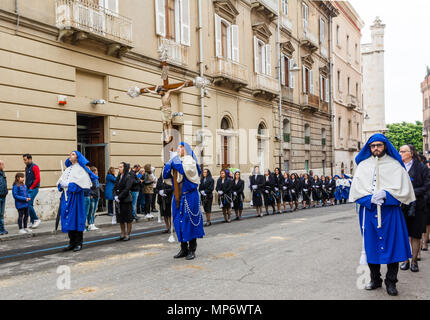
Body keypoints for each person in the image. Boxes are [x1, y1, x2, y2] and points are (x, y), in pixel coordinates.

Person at [349, 133, 415, 296]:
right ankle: (375, 279)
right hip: (369, 213)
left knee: (393, 247)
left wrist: (387, 195)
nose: (376, 148)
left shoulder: (395, 165)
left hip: (390, 213)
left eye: (379, 145)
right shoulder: (363, 166)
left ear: (385, 146)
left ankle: (391, 282)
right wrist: (369, 199)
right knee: (371, 247)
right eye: (373, 146)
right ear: (369, 148)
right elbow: (356, 192)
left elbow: (405, 192)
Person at [163, 142, 205, 260]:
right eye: (178, 147)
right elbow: (166, 175)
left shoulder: (189, 161)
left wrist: (175, 161)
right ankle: (183, 248)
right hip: (178, 197)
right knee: (178, 221)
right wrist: (169, 164)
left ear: (186, 149)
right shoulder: (177, 161)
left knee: (189, 221)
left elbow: (185, 172)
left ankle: (192, 249)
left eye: (181, 147)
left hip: (190, 196)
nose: (178, 149)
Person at [57, 151, 98, 252]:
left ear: (77, 157)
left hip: (76, 198)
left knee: (76, 219)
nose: (70, 155)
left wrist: (69, 185)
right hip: (67, 198)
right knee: (69, 219)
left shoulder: (80, 170)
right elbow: (60, 183)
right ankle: (71, 243)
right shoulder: (67, 169)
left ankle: (78, 243)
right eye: (70, 154)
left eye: (73, 154)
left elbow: (82, 185)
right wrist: (61, 185)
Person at [398, 144, 430, 272]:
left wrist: (411, 192)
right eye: (399, 151)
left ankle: (414, 261)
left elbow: (427, 185)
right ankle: (405, 260)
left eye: (403, 151)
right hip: (401, 206)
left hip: (417, 205)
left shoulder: (421, 167)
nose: (400, 153)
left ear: (411, 153)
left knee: (416, 234)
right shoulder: (397, 168)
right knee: (404, 234)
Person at [114, 162, 134, 241]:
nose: (119, 168)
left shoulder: (129, 176)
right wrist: (115, 195)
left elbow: (127, 189)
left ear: (125, 168)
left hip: (126, 200)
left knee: (128, 219)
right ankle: (122, 234)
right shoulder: (119, 177)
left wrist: (119, 197)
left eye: (121, 167)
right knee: (121, 219)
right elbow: (115, 187)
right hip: (119, 201)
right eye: (118, 167)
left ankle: (127, 235)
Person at [23, 154, 41, 228]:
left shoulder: (35, 167)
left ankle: (36, 219)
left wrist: (31, 188)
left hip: (34, 188)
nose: (24, 161)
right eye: (23, 160)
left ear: (30, 159)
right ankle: (32, 221)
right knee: (28, 205)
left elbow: (38, 179)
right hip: (28, 188)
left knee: (28, 204)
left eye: (25, 159)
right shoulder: (26, 168)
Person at [87, 166, 100, 231]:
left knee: (94, 211)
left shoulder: (96, 178)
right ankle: (90, 224)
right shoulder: (90, 179)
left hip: (97, 196)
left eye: (96, 171)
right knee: (91, 211)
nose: (96, 172)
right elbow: (89, 187)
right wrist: (90, 194)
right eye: (95, 171)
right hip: (92, 196)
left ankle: (93, 223)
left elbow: (97, 188)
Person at [0, 160, 8, 235]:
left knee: (2, 214)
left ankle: (2, 229)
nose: (4, 166)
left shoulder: (3, 173)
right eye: (2, 164)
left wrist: (6, 192)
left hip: (3, 196)